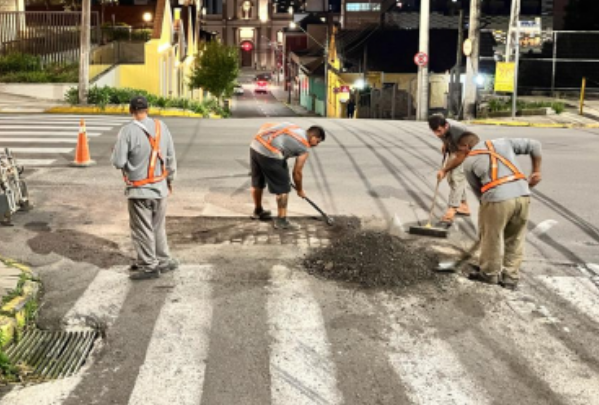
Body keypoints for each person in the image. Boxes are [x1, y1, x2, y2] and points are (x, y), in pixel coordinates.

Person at [457, 132, 542, 290]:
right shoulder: (503, 142)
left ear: (466, 146)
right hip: (523, 195)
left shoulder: (469, 162)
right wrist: (536, 171)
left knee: (491, 236)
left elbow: (479, 192)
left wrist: (486, 211)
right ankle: (510, 277)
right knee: (515, 237)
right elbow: (535, 145)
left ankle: (489, 274)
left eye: (460, 149)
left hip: (497, 198)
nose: (460, 153)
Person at [111, 96, 178, 280]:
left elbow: (118, 162)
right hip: (161, 189)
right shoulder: (161, 127)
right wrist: (169, 181)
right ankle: (163, 261)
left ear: (131, 111)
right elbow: (171, 158)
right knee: (158, 227)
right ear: (148, 109)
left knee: (142, 229)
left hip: (139, 192)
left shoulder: (127, 131)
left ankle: (148, 266)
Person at [250, 122, 326, 230]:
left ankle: (257, 211)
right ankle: (282, 221)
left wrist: (263, 146)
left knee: (257, 182)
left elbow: (266, 126)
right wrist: (300, 190)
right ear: (313, 137)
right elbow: (297, 173)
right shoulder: (303, 147)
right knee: (283, 189)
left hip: (256, 145)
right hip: (271, 154)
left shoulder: (293, 127)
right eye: (317, 141)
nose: (316, 145)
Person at [428, 114, 471, 226]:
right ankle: (463, 205)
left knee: (456, 177)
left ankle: (452, 209)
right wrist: (445, 144)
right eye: (434, 132)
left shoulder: (459, 131)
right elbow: (446, 136)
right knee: (451, 178)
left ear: (446, 126)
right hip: (455, 147)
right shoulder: (442, 127)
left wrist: (444, 170)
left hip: (467, 151)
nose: (437, 134)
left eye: (439, 131)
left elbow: (461, 156)